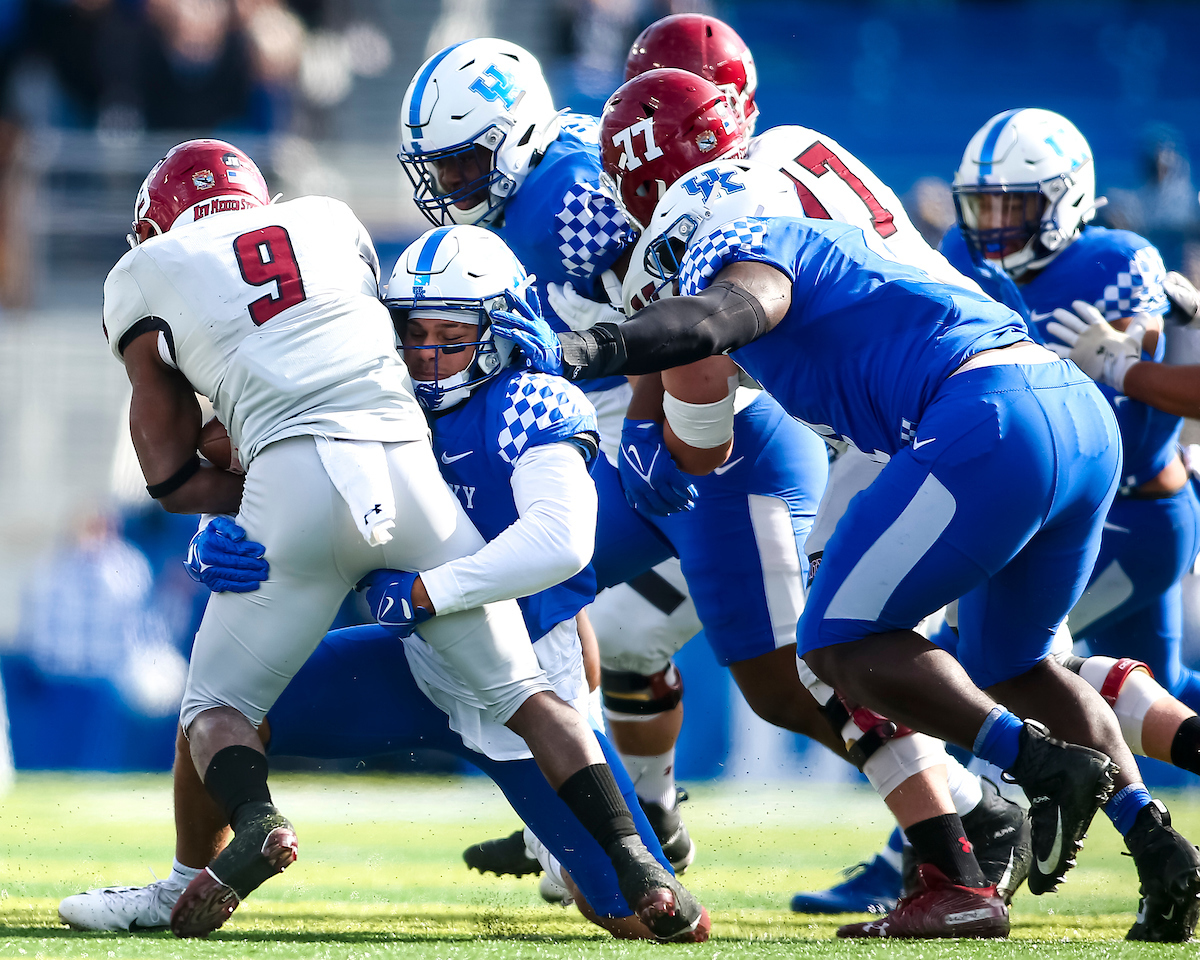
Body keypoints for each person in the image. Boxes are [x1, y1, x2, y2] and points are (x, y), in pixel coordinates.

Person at [493, 157, 1200, 942]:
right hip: (1067, 416)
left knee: (834, 642)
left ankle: (1032, 767)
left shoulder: (758, 252)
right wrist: (655, 430)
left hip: (988, 416)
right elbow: (701, 413)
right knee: (1016, 666)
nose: (668, 285)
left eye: (670, 265)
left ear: (692, 237)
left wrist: (579, 351)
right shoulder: (829, 255)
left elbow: (710, 321)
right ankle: (1161, 847)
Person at [95, 138, 704, 941]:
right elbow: (270, 436)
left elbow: (562, 566)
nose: (423, 354)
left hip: (501, 651)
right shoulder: (380, 392)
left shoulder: (531, 405)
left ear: (504, 327)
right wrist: (222, 527)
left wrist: (423, 590)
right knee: (215, 718)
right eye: (409, 332)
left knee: (622, 914)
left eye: (450, 336)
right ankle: (183, 880)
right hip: (412, 662)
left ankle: (612, 852)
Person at [941, 109, 1200, 712]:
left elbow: (1133, 411)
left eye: (1015, 207)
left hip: (1129, 519)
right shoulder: (961, 253)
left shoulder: (1114, 264)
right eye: (985, 206)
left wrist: (1123, 366)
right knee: (1157, 693)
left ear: (1064, 200)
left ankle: (949, 810)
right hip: (1051, 513)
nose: (995, 225)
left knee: (991, 667)